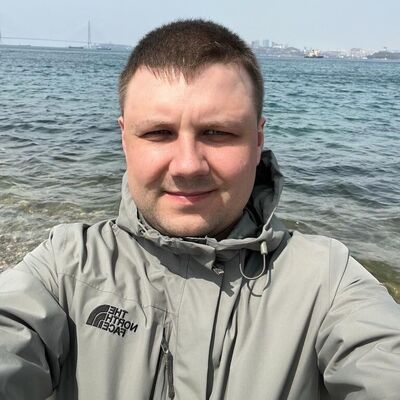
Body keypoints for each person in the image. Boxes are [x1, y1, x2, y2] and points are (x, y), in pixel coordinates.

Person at [0, 19, 399, 400]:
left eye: (218, 132)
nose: (188, 165)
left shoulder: (326, 284)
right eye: (159, 132)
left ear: (258, 138)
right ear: (124, 138)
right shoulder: (66, 267)